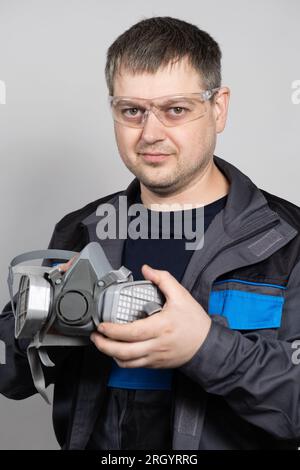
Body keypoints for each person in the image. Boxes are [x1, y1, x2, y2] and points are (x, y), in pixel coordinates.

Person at [1, 16, 300, 450]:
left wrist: (204, 347)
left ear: (218, 109)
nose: (150, 133)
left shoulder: (288, 240)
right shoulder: (81, 231)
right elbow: (11, 377)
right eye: (132, 111)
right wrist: (45, 323)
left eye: (175, 109)